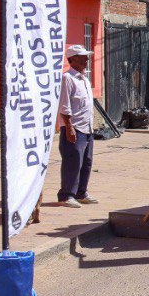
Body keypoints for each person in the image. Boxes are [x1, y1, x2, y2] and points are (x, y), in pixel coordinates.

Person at [56, 45, 97, 208]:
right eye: (82, 57)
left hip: (87, 128)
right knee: (72, 162)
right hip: (74, 128)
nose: (86, 60)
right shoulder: (67, 78)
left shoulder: (84, 79)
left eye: (86, 57)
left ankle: (81, 192)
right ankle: (66, 195)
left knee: (86, 162)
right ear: (72, 59)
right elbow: (64, 106)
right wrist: (69, 127)